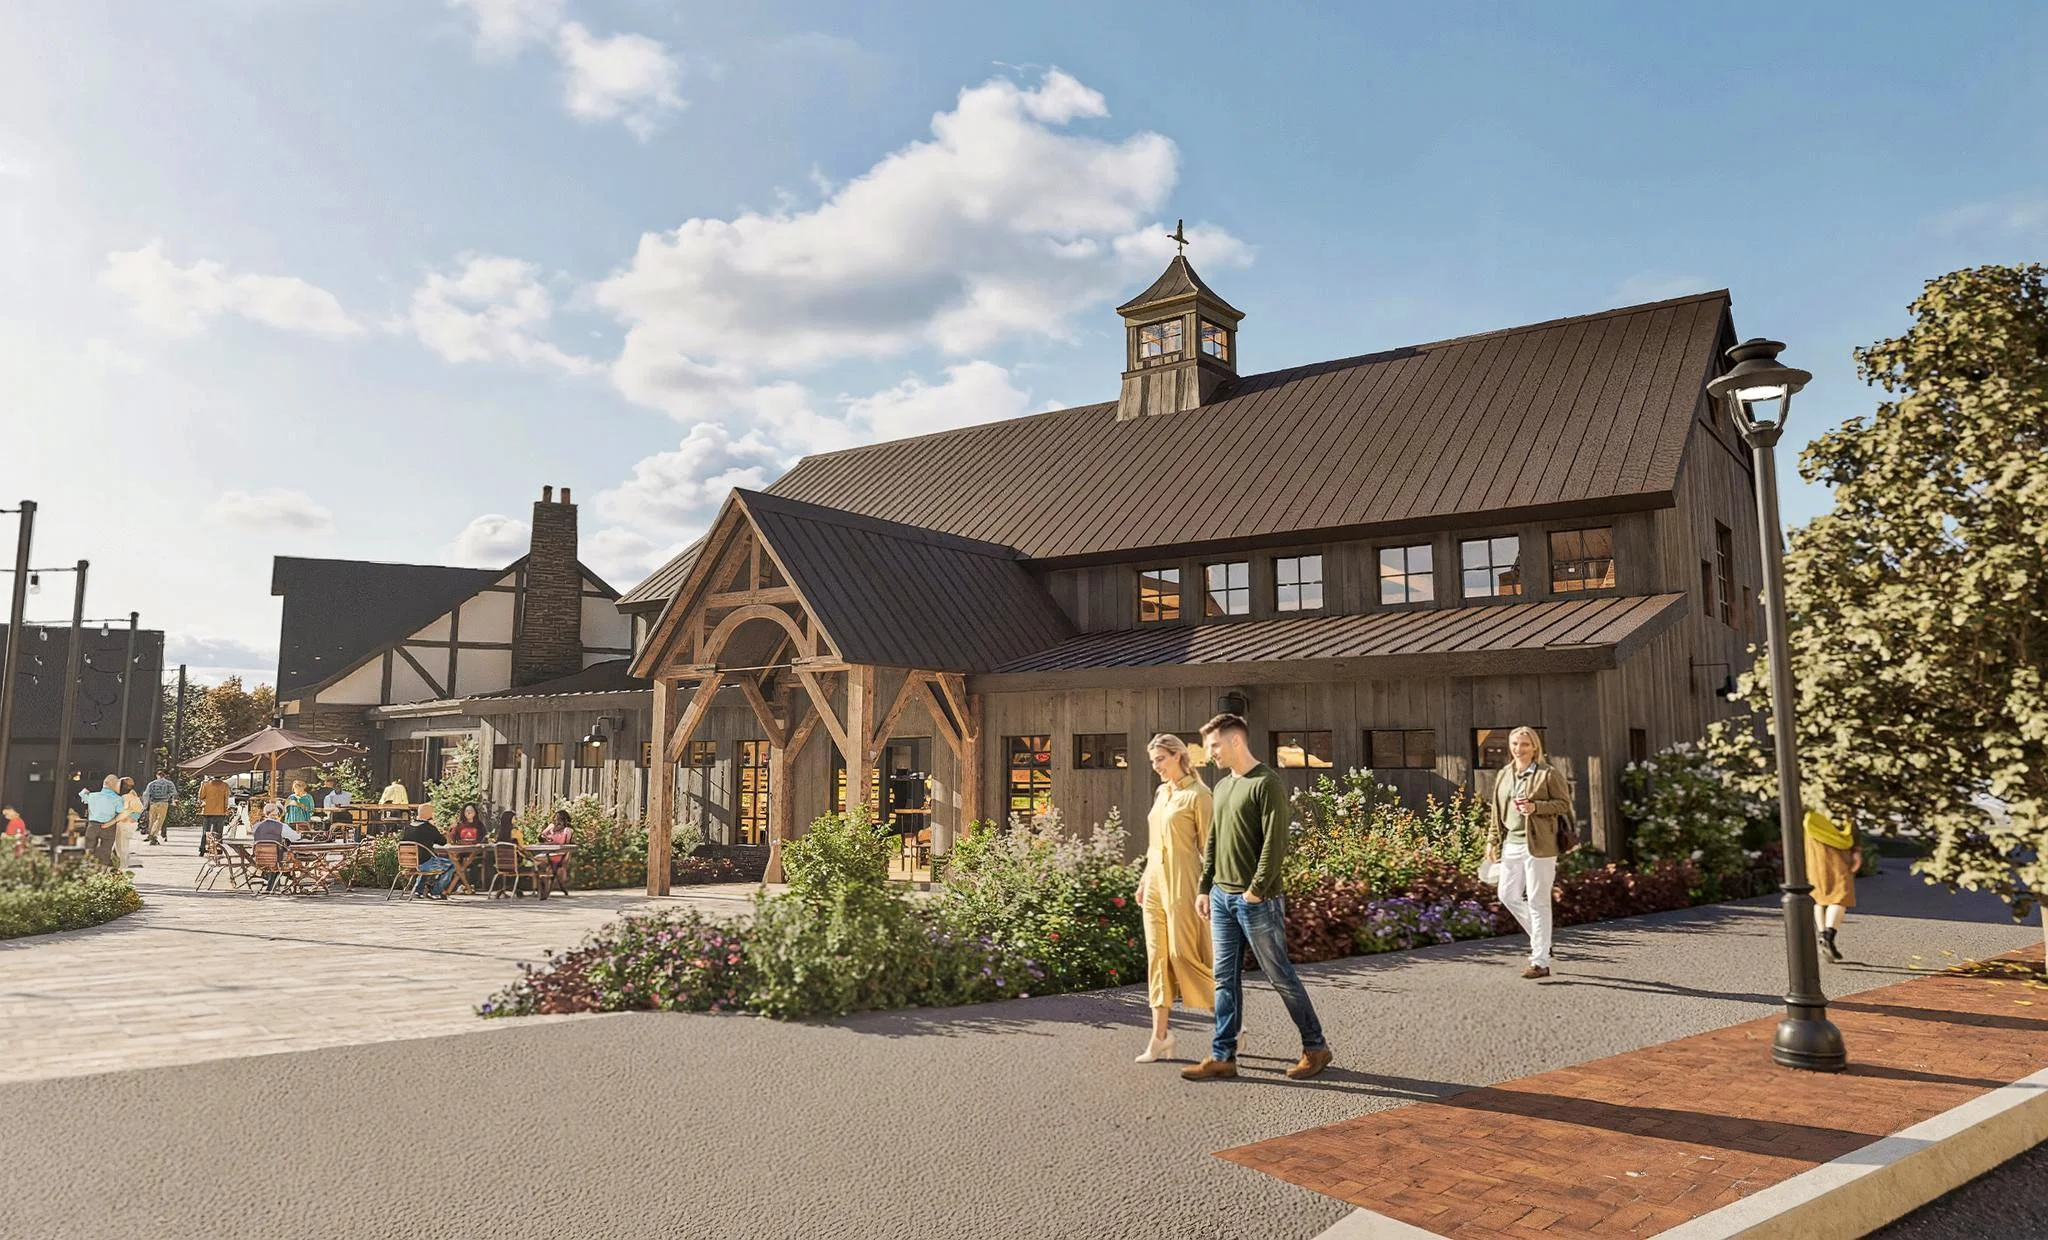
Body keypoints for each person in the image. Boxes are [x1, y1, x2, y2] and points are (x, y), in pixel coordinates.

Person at [1182, 713, 1333, 1083]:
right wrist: (1206, 888)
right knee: (1224, 979)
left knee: (1279, 975)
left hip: (1256, 901)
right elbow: (1214, 841)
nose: (1210, 754)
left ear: (1236, 742)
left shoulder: (1266, 783)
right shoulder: (1221, 788)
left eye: (1215, 745)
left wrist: (1255, 891)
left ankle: (1316, 1048)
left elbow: (1275, 843)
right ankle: (1223, 1056)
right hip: (1221, 897)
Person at [1135, 733, 1214, 1064]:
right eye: (1153, 761)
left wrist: (1207, 889)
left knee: (1184, 955)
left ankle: (1228, 1019)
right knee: (1157, 958)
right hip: (1154, 883)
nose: (1156, 767)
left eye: (1160, 760)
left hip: (1184, 881)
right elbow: (1154, 844)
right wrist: (1143, 880)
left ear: (1179, 756)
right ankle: (1160, 1038)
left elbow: (1209, 847)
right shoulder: (1161, 792)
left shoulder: (1200, 795)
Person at [1483, 726, 1574, 980]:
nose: (1518, 749)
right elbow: (1495, 812)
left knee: (1537, 900)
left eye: (1524, 744)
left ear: (1534, 746)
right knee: (1507, 894)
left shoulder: (1548, 774)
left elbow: (1564, 804)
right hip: (1512, 843)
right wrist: (1491, 840)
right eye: (1514, 744)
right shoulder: (1504, 774)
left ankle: (1540, 961)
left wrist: (1536, 807)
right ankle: (1541, 938)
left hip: (1541, 845)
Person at [1804, 804, 1858, 962]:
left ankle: (1822, 937)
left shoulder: (1811, 806)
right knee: (1841, 893)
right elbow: (1853, 825)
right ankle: (1828, 935)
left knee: (1819, 894)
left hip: (1814, 842)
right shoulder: (1842, 802)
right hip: (1839, 846)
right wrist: (1857, 850)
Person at [402, 804, 454, 898]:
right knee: (452, 865)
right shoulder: (429, 828)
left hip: (410, 863)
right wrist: (446, 834)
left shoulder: (407, 827)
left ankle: (419, 890)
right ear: (429, 814)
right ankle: (435, 891)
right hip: (425, 864)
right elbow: (443, 842)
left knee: (426, 860)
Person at [249, 801, 302, 891]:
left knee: (276, 856)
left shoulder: (257, 826)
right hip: (278, 859)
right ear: (277, 814)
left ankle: (271, 887)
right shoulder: (282, 826)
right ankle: (295, 882)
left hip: (260, 858)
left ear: (265, 813)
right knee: (286, 855)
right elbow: (296, 838)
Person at [538, 808, 574, 886]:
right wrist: (548, 835)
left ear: (564, 820)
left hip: (559, 854)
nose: (556, 821)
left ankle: (545, 883)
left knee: (538, 860)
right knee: (535, 859)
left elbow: (567, 845)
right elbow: (542, 835)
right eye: (555, 818)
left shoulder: (567, 830)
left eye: (559, 819)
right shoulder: (552, 827)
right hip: (549, 852)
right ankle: (542, 883)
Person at [141, 769, 177, 846]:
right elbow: (173, 793)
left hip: (153, 803)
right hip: (163, 803)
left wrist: (145, 806)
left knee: (152, 820)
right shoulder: (169, 783)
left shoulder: (151, 784)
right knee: (160, 820)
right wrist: (169, 798)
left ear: (157, 776)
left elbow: (146, 794)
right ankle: (154, 835)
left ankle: (151, 834)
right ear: (164, 776)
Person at [116, 777, 145, 869]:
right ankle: (120, 864)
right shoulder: (125, 795)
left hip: (125, 824)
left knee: (122, 846)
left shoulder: (129, 795)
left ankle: (122, 866)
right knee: (120, 846)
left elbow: (139, 809)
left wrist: (131, 819)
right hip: (122, 823)